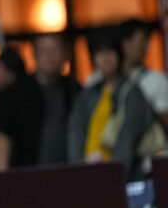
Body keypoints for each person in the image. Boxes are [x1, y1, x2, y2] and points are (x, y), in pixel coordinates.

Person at [67, 29, 154, 181]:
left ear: (119, 55)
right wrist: (78, 171)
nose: (105, 58)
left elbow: (127, 139)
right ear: (93, 58)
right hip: (87, 175)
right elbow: (76, 133)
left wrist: (114, 177)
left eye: (110, 52)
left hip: (122, 178)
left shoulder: (132, 93)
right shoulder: (88, 94)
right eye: (100, 53)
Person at [32, 33, 78, 165]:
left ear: (65, 54)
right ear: (35, 55)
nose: (49, 56)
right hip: (28, 170)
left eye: (54, 50)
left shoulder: (76, 91)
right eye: (44, 50)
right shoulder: (17, 93)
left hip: (71, 167)